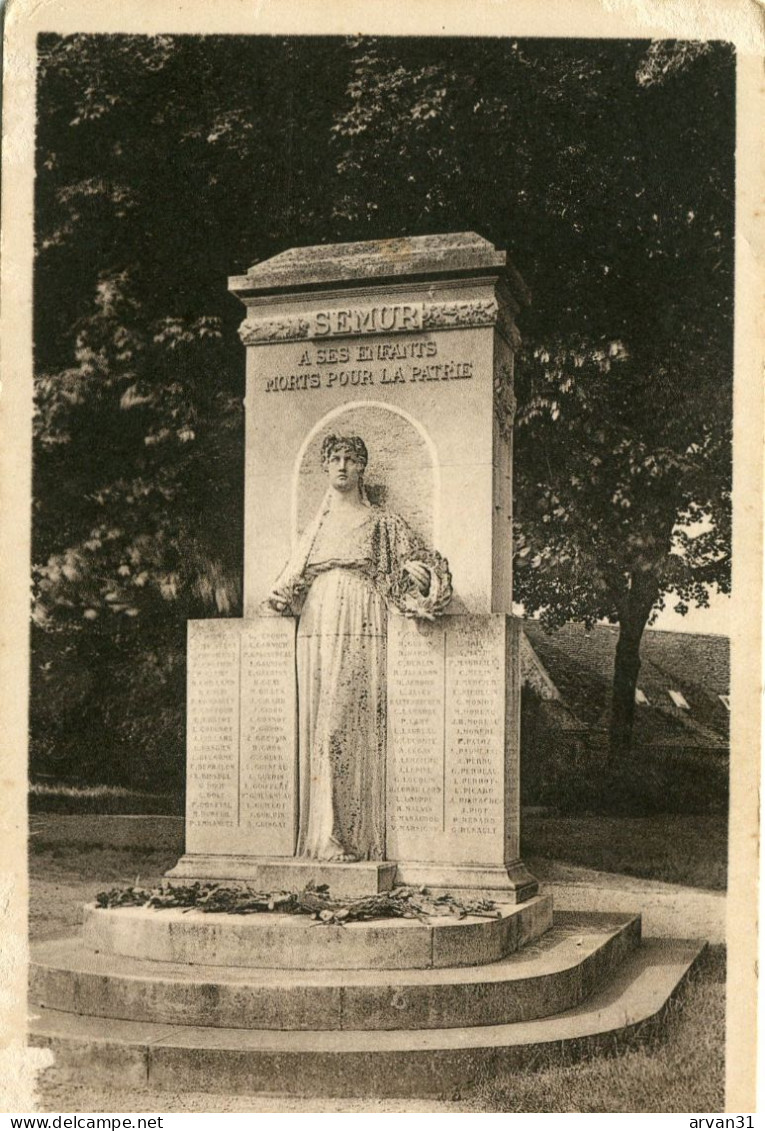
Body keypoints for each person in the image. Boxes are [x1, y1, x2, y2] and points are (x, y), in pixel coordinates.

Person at [265, 434, 451, 862]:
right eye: (335, 459)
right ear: (326, 468)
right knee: (320, 724)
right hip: (317, 618)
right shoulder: (317, 528)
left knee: (346, 722)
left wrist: (420, 576)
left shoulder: (381, 522)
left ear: (363, 468)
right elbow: (289, 583)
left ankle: (352, 836)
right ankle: (323, 835)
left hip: (361, 617)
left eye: (351, 459)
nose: (343, 466)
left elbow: (420, 564)